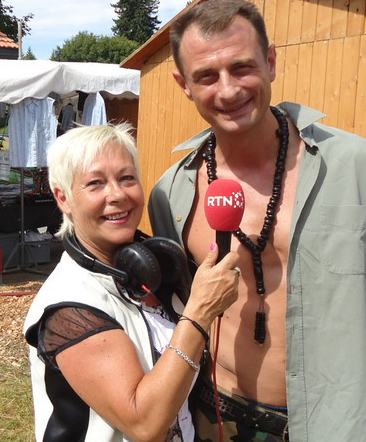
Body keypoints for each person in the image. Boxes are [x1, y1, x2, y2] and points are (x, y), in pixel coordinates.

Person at [148, 0, 366, 442]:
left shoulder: (355, 166)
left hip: (333, 424)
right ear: (184, 84)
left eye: (241, 67)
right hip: (216, 416)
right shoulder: (171, 193)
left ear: (271, 61)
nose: (228, 90)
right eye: (207, 76)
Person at [23, 123, 241, 441]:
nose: (117, 195)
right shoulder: (69, 307)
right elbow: (144, 424)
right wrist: (200, 313)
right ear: (64, 199)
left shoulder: (153, 271)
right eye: (95, 183)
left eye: (127, 178)